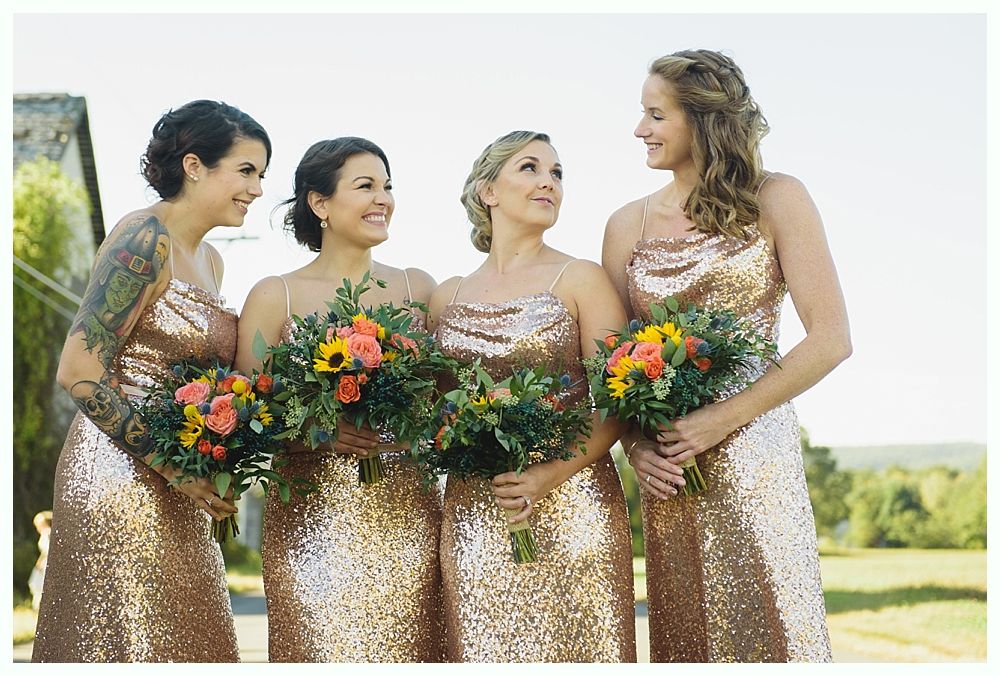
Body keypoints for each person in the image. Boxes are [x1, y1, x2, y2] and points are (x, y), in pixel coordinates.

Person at [602, 49, 852, 662]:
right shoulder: (624, 225)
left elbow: (831, 338)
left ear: (702, 120)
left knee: (772, 627)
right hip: (670, 465)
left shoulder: (778, 198)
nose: (640, 129)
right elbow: (606, 363)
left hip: (755, 453)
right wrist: (637, 448)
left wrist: (723, 417)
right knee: (689, 632)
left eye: (655, 115)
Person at [32, 100, 270, 662]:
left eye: (261, 175)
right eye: (246, 171)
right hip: (120, 473)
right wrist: (171, 466)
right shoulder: (144, 236)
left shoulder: (211, 260)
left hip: (182, 477)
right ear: (194, 165)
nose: (257, 189)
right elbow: (80, 370)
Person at [427, 130, 636, 662]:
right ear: (487, 191)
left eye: (558, 173)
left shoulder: (581, 278)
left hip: (574, 508)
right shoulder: (445, 296)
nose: (549, 182)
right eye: (531, 168)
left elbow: (616, 403)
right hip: (477, 513)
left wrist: (546, 475)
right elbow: (434, 412)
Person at [234, 137, 444, 662]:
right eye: (366, 186)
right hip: (311, 531)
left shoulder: (419, 288)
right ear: (319, 203)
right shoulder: (272, 294)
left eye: (388, 186)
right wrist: (316, 431)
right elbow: (246, 413)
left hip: (408, 524)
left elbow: (446, 400)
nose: (384, 199)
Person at [28, 511, 53, 611]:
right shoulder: (48, 533)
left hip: (45, 563)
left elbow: (47, 550)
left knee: (38, 585)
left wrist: (41, 563)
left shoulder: (47, 533)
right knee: (37, 584)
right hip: (43, 563)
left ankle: (41, 608)